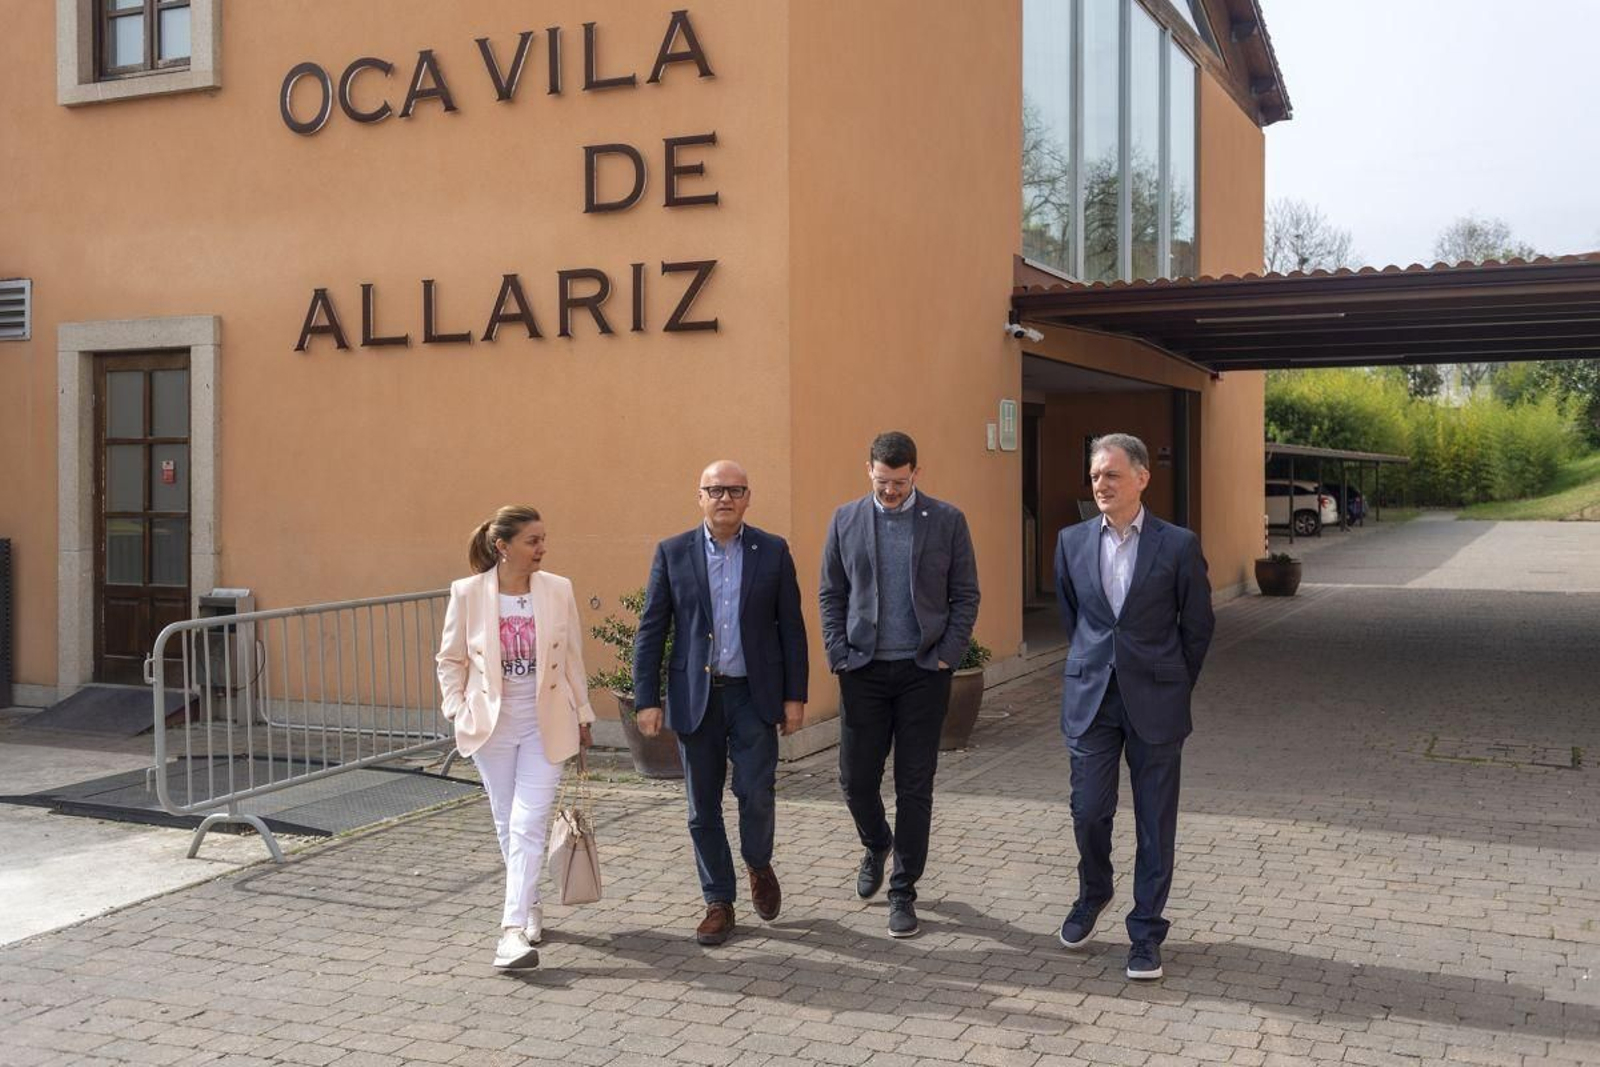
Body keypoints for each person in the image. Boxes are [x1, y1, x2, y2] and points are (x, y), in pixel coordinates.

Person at [1053, 433, 1214, 981]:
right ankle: (1094, 890)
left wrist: (1172, 682)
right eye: (1096, 474)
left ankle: (1146, 931)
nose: (1101, 483)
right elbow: (1075, 620)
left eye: (1112, 475)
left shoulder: (1178, 545)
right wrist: (1094, 663)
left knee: (1154, 822)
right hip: (1092, 697)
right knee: (1089, 810)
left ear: (1142, 478)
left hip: (1157, 701)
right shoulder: (1071, 541)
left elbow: (1198, 627)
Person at [632, 461, 809, 946]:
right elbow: (651, 630)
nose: (725, 498)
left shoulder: (771, 551)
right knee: (700, 807)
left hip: (754, 695)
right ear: (700, 496)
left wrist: (795, 696)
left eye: (734, 490)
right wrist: (647, 698)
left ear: (748, 497)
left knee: (756, 792)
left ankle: (757, 862)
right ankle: (719, 901)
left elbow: (791, 628)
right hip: (697, 699)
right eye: (715, 490)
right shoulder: (673, 553)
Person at [819, 431, 980, 938]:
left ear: (917, 473)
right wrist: (839, 655)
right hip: (863, 671)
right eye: (883, 482)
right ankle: (875, 842)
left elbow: (965, 595)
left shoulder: (948, 521)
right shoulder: (845, 520)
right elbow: (831, 593)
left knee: (915, 785)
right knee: (855, 779)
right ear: (868, 469)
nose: (891, 491)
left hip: (922, 674)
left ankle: (903, 890)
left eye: (900, 482)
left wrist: (946, 656)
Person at [436, 504, 595, 971]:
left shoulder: (557, 590)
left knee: (529, 822)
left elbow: (572, 659)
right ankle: (528, 905)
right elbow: (450, 658)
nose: (542, 548)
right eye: (532, 541)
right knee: (507, 823)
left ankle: (510, 933)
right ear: (502, 546)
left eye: (544, 539)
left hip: (544, 720)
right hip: (490, 725)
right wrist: (456, 709)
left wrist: (583, 715)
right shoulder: (467, 593)